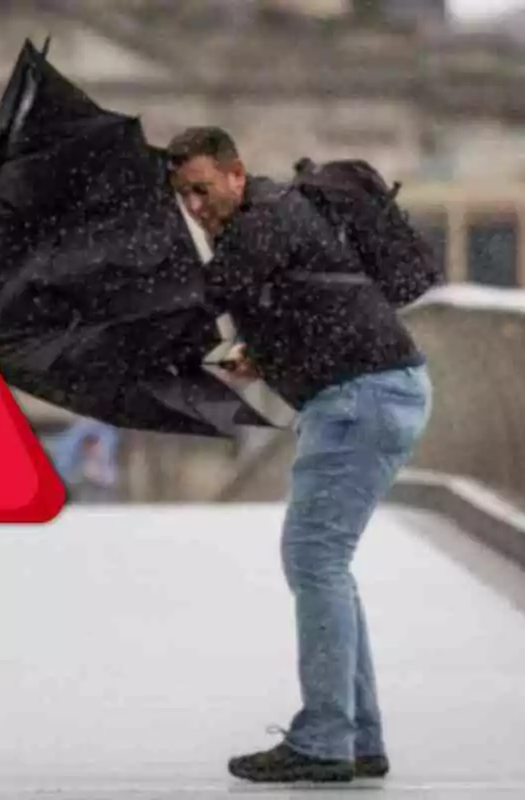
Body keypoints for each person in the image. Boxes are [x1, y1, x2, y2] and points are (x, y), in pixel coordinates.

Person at [167, 126, 434, 784]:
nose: (195, 205)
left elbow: (196, 301)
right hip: (368, 392)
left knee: (314, 560)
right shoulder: (272, 219)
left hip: (360, 399)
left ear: (235, 174)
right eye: (183, 196)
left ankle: (324, 740)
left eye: (202, 189)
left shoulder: (262, 223)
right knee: (326, 564)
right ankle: (357, 734)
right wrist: (263, 353)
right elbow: (307, 301)